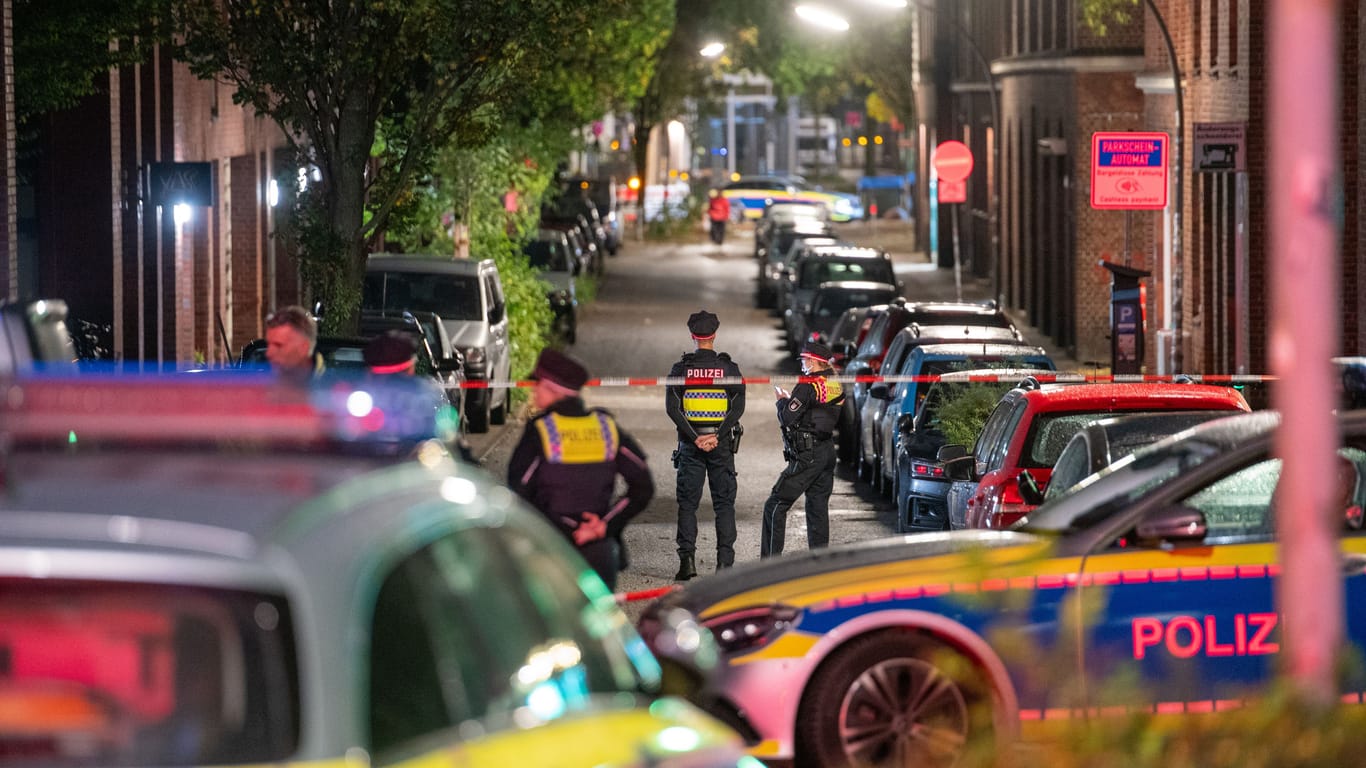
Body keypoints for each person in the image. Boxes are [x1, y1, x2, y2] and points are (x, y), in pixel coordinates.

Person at [507, 348, 653, 589]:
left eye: (538, 384)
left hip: (551, 552)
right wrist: (603, 526)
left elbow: (518, 491)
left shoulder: (541, 431)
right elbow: (643, 488)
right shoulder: (606, 428)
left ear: (552, 388)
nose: (533, 390)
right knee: (598, 624)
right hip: (598, 553)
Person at [665, 310, 746, 580]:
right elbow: (737, 408)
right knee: (724, 504)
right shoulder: (728, 369)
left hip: (691, 444)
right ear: (714, 335)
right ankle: (725, 565)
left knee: (688, 504)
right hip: (720, 445)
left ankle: (687, 564)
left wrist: (695, 437)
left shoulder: (681, 370)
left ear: (693, 336)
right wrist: (718, 436)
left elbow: (673, 409)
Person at [760, 340, 845, 557]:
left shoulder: (808, 385)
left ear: (816, 362)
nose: (802, 364)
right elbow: (820, 409)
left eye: (805, 360)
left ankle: (769, 566)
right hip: (827, 451)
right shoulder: (835, 382)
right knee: (817, 509)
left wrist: (782, 402)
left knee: (775, 504)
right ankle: (818, 566)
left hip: (809, 454)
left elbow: (787, 417)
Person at [265, 305, 323, 383]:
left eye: (278, 345)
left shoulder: (331, 390)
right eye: (268, 345)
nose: (268, 353)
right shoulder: (262, 386)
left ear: (303, 349)